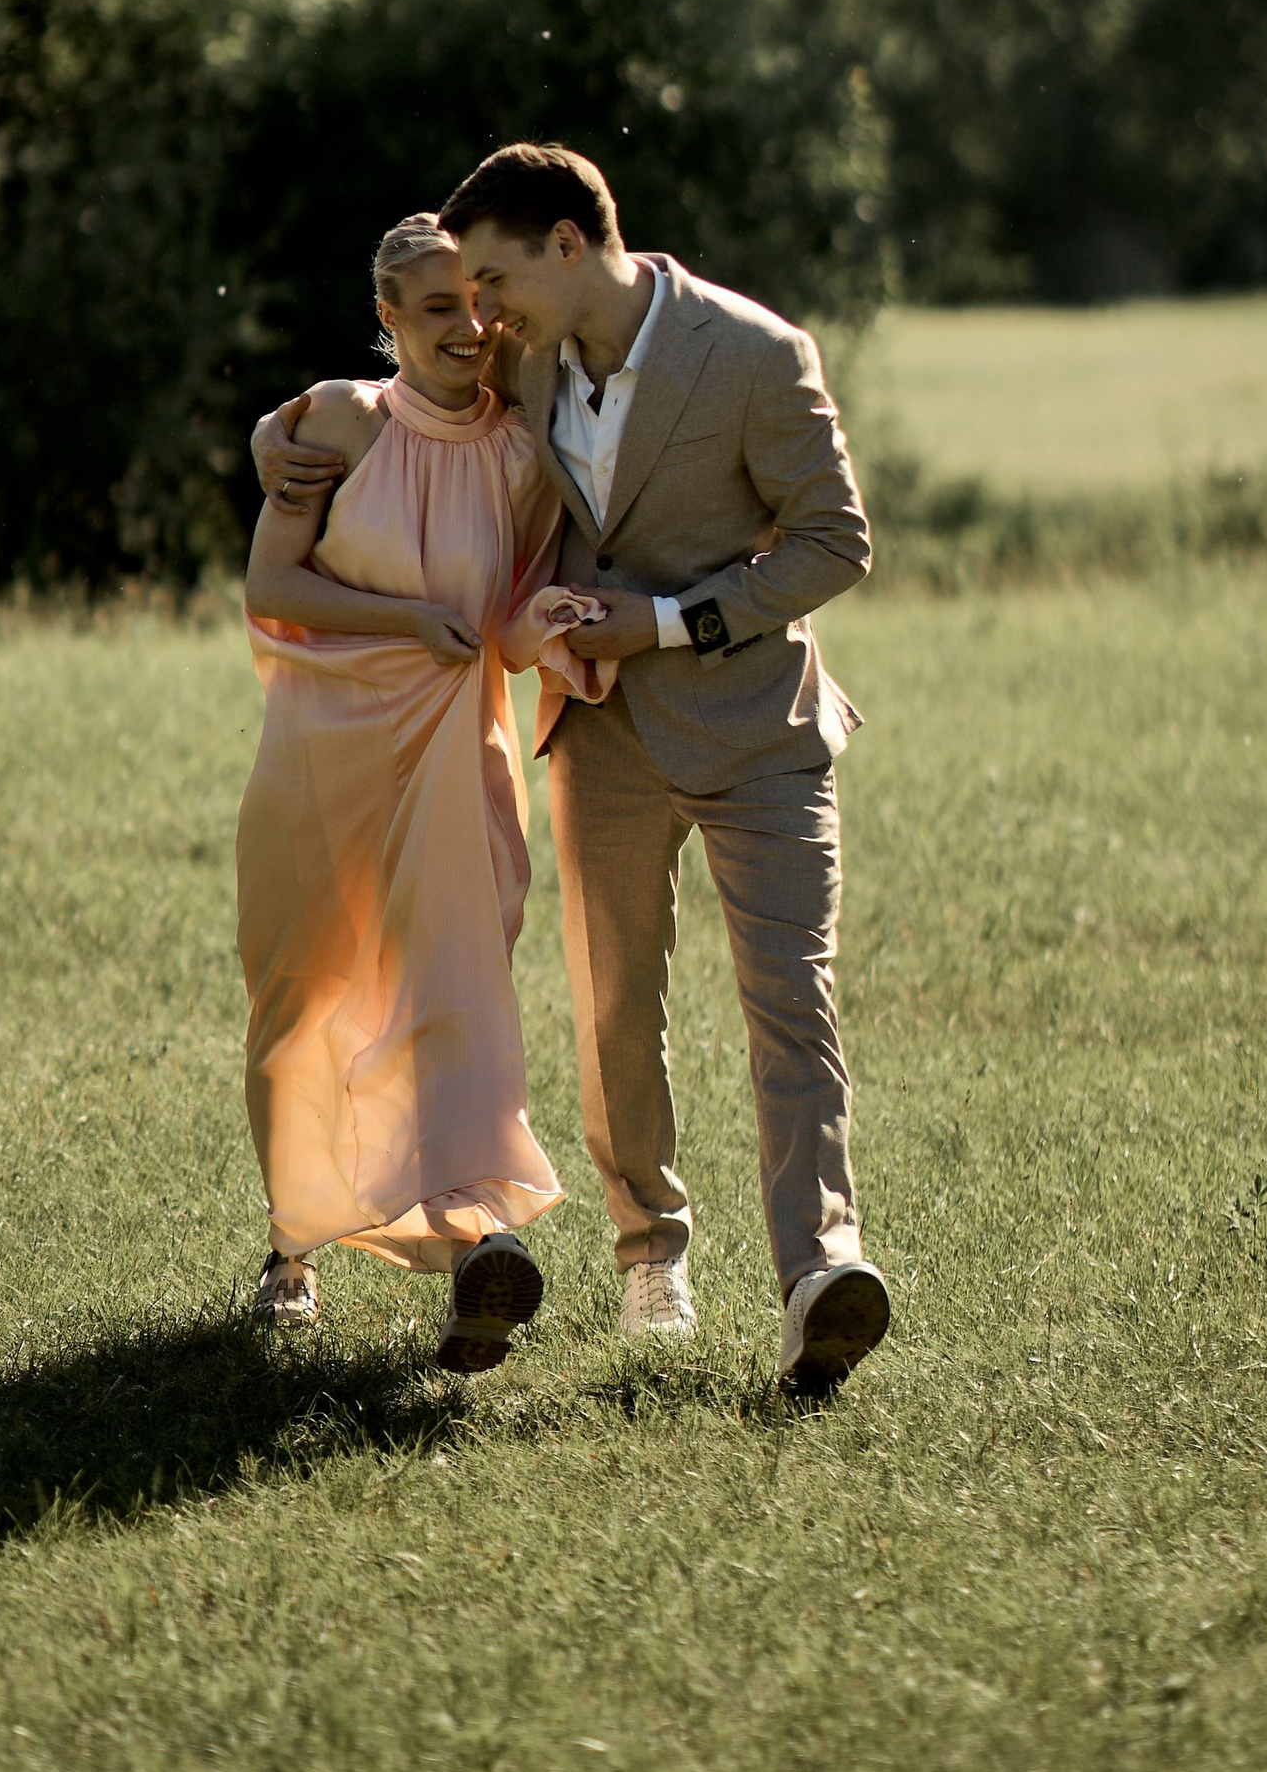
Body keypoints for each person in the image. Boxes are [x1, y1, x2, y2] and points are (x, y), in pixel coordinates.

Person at [256, 144, 889, 1402]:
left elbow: (835, 541)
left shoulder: (757, 354)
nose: (481, 312)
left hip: (759, 730)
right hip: (600, 740)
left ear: (564, 245)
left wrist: (661, 623)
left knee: (790, 1006)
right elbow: (383, 396)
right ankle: (652, 1259)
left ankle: (822, 1273)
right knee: (615, 1020)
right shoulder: (524, 358)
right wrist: (273, 435)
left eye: (494, 278)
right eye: (467, 292)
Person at [234, 212, 609, 1372]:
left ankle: (476, 1245)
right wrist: (406, 620)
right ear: (387, 319)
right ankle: (293, 1247)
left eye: (477, 303)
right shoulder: (339, 421)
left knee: (454, 988)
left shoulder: (520, 450)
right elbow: (271, 580)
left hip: (454, 757)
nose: (466, 324)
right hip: (322, 753)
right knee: (301, 998)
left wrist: (531, 625)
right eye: (435, 306)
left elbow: (495, 632)